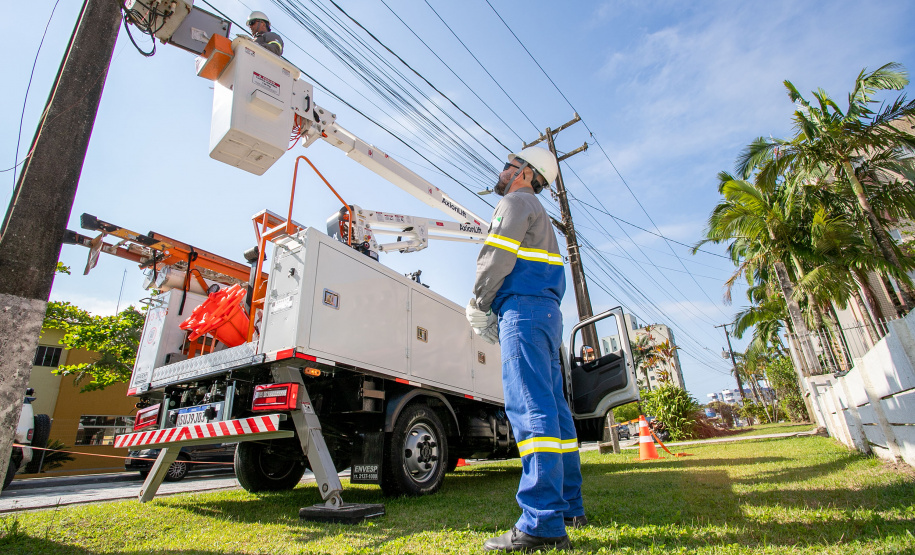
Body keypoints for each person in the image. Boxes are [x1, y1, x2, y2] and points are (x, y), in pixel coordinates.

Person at [466, 146, 585, 552]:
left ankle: (542, 522)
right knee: (554, 411)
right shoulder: (543, 215)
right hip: (547, 314)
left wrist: (479, 301)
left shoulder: (515, 201)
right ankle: (570, 506)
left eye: (508, 165)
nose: (501, 171)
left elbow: (496, 253)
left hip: (524, 311)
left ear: (525, 172)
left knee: (530, 410)